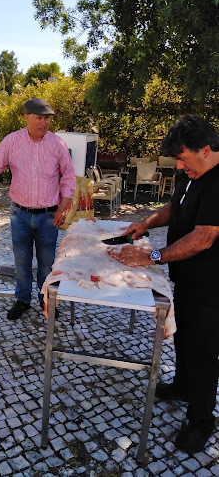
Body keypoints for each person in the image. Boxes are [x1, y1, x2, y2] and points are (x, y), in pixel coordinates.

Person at [108, 115, 219, 455]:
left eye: (184, 158)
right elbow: (174, 206)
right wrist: (146, 223)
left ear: (206, 150)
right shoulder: (190, 173)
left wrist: (151, 256)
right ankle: (183, 386)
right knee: (183, 337)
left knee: (203, 352)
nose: (180, 165)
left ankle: (201, 421)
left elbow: (203, 238)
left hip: (211, 286)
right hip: (185, 278)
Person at [0, 97, 76, 321]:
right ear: (27, 118)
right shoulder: (11, 142)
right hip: (19, 215)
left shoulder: (57, 144)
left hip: (49, 216)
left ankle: (46, 301)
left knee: (46, 264)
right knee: (21, 263)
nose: (44, 123)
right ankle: (22, 300)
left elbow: (68, 176)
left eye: (47, 119)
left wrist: (63, 206)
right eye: (39, 118)